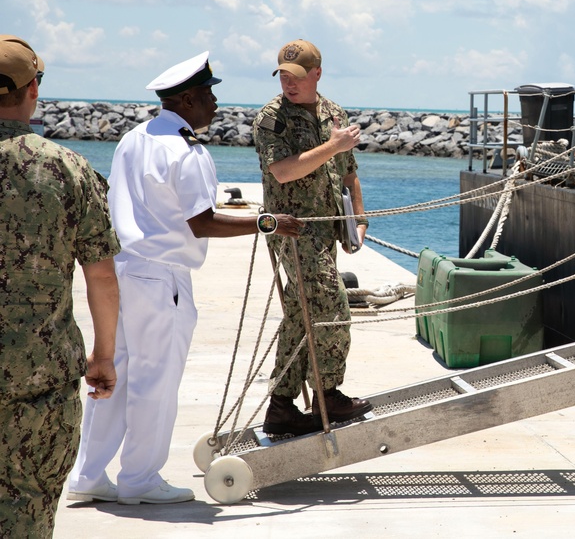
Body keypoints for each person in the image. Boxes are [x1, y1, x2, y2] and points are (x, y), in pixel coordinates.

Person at [67, 52, 303, 505]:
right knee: (157, 380)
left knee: (113, 377)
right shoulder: (186, 149)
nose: (215, 104)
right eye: (210, 94)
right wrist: (266, 222)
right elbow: (201, 222)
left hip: (121, 273)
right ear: (188, 99)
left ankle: (88, 474)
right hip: (161, 279)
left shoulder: (134, 138)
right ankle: (139, 479)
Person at [0, 35, 120, 538]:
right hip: (38, 382)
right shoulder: (66, 169)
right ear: (33, 90)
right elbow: (101, 277)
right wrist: (103, 356)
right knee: (28, 512)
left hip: (40, 382)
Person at [252, 39, 371, 436]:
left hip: (327, 229)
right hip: (291, 228)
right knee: (332, 307)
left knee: (302, 314)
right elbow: (283, 171)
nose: (290, 83)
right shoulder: (272, 118)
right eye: (284, 76)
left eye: (297, 77)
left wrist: (358, 218)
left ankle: (282, 405)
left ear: (317, 73)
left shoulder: (333, 111)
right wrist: (331, 146)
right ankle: (327, 395)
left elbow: (348, 170)